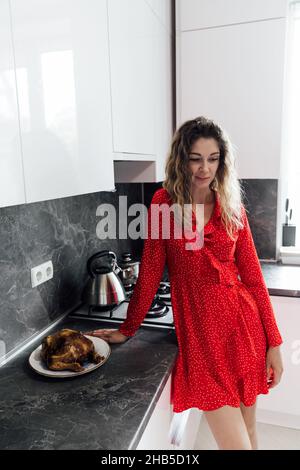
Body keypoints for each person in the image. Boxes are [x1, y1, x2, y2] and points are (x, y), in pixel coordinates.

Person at [85, 116, 284, 450]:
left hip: (244, 331)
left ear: (222, 161)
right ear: (181, 159)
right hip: (203, 340)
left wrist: (274, 343)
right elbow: (149, 272)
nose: (204, 168)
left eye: (213, 158)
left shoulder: (231, 204)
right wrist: (128, 328)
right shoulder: (165, 203)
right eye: (195, 158)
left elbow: (252, 277)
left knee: (249, 432)